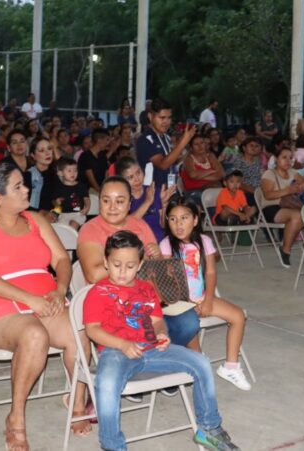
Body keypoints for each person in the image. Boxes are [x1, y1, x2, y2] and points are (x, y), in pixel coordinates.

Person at [0, 163, 91, 446]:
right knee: (34, 334)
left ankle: (78, 403)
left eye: (24, 184)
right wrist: (29, 299)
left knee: (78, 328)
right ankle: (16, 417)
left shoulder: (35, 220)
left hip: (45, 299)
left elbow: (61, 259)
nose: (26, 190)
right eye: (17, 186)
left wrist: (59, 289)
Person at [83, 230, 240, 451]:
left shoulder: (146, 289)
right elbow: (92, 330)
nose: (123, 272)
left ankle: (208, 428)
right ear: (106, 262)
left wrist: (161, 334)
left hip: (151, 348)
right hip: (115, 351)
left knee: (201, 362)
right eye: (117, 265)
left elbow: (157, 321)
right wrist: (122, 344)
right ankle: (112, 445)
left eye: (130, 266)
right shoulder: (97, 292)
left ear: (140, 265)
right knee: (106, 382)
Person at [77, 176, 201, 349]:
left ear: (129, 204)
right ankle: (149, 350)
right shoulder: (90, 229)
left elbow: (157, 269)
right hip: (114, 306)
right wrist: (133, 259)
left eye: (120, 201)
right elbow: (93, 275)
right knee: (150, 331)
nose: (112, 207)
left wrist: (156, 255)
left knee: (189, 322)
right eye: (106, 201)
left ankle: (155, 350)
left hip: (150, 301)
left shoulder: (139, 224)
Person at [162, 196, 250, 391]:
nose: (178, 224)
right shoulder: (166, 245)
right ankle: (195, 362)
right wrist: (188, 304)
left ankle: (231, 366)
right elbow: (167, 282)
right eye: (173, 219)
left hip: (202, 297)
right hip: (180, 304)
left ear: (195, 220)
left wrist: (208, 299)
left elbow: (210, 272)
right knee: (191, 332)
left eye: (184, 218)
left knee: (238, 316)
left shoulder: (204, 241)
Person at [136, 98, 196, 240]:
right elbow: (163, 164)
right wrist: (183, 142)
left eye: (169, 118)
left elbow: (171, 162)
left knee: (175, 233)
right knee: (159, 235)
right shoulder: (146, 139)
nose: (166, 122)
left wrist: (184, 153)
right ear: (150, 116)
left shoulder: (166, 138)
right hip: (154, 193)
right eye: (162, 118)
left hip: (169, 190)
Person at [42, 157, 90, 229]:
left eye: (75, 170)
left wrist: (87, 207)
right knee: (61, 229)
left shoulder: (81, 186)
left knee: (73, 225)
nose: (73, 173)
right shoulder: (58, 187)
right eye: (69, 171)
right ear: (60, 173)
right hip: (63, 214)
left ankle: (74, 236)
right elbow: (53, 202)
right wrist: (56, 202)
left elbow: (86, 199)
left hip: (78, 214)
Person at [79, 129, 111, 195]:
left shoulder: (102, 155)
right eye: (107, 140)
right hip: (88, 191)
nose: (108, 143)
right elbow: (90, 178)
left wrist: (105, 188)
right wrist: (100, 191)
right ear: (99, 140)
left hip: (101, 190)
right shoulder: (85, 156)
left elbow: (106, 174)